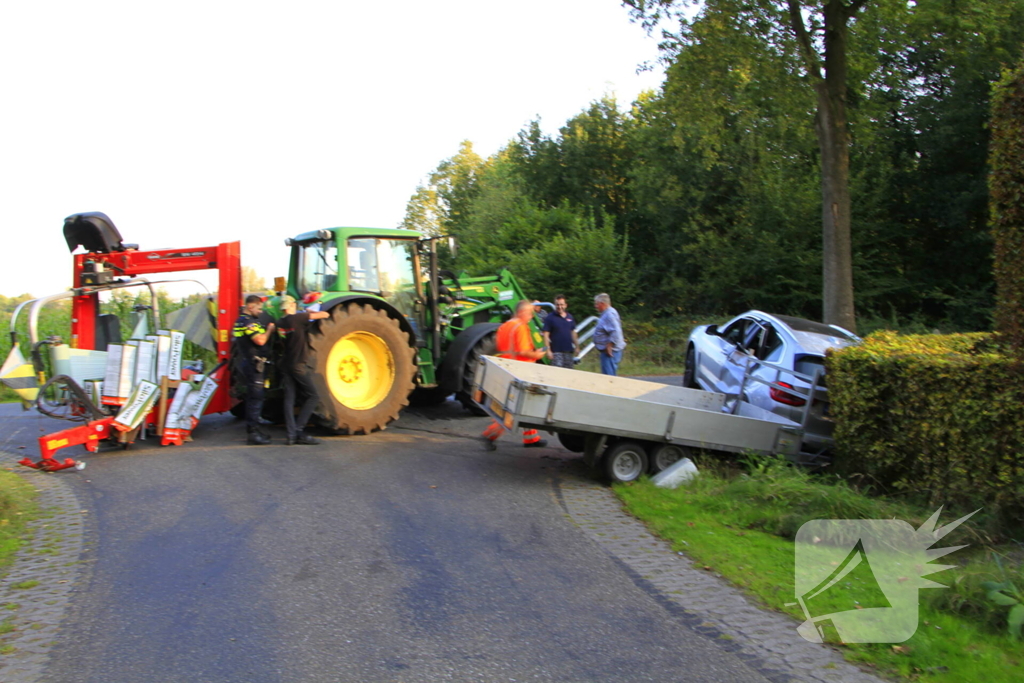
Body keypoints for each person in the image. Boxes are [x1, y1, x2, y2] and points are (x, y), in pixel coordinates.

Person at [482, 300, 548, 450]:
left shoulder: (505, 326)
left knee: (525, 406)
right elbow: (523, 352)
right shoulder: (520, 327)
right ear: (522, 312)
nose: (531, 316)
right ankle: (489, 434)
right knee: (513, 410)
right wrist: (537, 354)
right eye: (530, 313)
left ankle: (531, 439)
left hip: (507, 369)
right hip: (520, 371)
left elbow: (502, 347)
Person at [277, 295, 330, 445]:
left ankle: (290, 435)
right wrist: (307, 310)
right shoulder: (298, 318)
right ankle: (299, 431)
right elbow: (324, 314)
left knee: (289, 399)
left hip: (285, 364)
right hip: (298, 364)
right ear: (291, 306)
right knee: (313, 396)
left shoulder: (279, 323)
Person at [233, 295, 276, 445]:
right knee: (255, 398)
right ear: (250, 307)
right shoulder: (246, 322)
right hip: (253, 364)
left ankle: (256, 430)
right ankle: (253, 434)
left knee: (256, 397)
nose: (260, 311)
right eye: (259, 308)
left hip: (253, 363)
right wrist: (269, 330)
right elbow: (260, 340)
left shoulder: (247, 321)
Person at [542, 294, 578, 369]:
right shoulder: (550, 318)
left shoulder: (570, 317)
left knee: (569, 373)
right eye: (557, 305)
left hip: (568, 351)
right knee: (557, 374)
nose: (560, 307)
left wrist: (577, 347)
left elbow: (573, 333)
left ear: (566, 305)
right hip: (556, 352)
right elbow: (545, 335)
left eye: (562, 304)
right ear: (555, 305)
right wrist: (548, 351)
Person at [593, 293, 626, 376]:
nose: (595, 306)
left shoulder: (609, 315)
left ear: (602, 304)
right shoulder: (607, 313)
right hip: (607, 352)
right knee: (607, 376)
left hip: (610, 352)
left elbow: (616, 331)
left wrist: (609, 345)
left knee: (609, 378)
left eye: (597, 304)